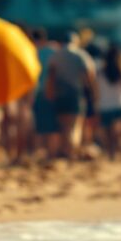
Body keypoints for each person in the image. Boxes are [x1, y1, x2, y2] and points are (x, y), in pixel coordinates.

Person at [43, 31, 96, 161]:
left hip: (59, 94)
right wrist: (93, 94)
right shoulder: (80, 55)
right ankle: (71, 152)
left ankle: (66, 151)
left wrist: (49, 93)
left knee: (64, 126)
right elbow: (89, 76)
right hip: (75, 94)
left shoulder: (55, 56)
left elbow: (51, 77)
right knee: (74, 126)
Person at [96, 44, 121, 161]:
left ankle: (111, 156)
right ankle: (119, 154)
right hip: (119, 105)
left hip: (103, 106)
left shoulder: (99, 73)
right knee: (118, 135)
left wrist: (95, 105)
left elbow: (95, 92)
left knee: (107, 135)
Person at [30, 28, 60, 158]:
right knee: (53, 126)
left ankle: (39, 152)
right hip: (54, 92)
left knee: (39, 126)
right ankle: (52, 153)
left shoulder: (31, 52)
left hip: (37, 92)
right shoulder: (53, 51)